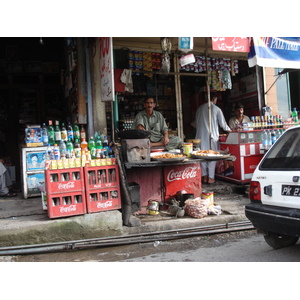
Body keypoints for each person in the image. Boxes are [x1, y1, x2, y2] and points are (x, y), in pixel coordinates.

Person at [195, 94, 231, 184]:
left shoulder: (199, 109)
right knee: (212, 156)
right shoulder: (216, 109)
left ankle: (204, 176)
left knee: (202, 156)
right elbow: (223, 124)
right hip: (212, 137)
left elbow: (195, 123)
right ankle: (211, 178)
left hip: (200, 136)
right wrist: (230, 130)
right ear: (214, 99)